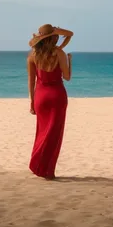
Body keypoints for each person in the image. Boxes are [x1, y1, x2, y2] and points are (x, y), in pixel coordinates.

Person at [28, 24, 73, 180]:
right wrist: (70, 61)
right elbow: (67, 77)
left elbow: (31, 82)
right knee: (54, 135)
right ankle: (48, 171)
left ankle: (36, 165)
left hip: (41, 97)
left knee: (41, 132)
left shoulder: (33, 56)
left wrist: (32, 102)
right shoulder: (59, 53)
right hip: (57, 96)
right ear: (54, 38)